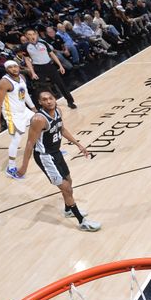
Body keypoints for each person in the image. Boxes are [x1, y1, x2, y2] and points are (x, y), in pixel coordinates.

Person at [14, 90, 100, 231]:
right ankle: (82, 221)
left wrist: (78, 144)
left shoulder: (58, 111)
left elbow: (62, 129)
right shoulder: (38, 119)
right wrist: (24, 166)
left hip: (56, 152)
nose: (48, 101)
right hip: (45, 156)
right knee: (66, 187)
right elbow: (30, 143)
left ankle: (68, 210)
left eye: (50, 98)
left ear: (55, 99)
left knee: (69, 181)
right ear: (40, 102)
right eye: (44, 99)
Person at [0, 60, 36, 176]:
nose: (14, 69)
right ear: (7, 70)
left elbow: (25, 94)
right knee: (16, 139)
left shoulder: (22, 77)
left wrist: (33, 108)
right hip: (12, 114)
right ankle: (11, 167)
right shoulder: (4, 82)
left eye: (15, 66)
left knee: (42, 125)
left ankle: (45, 149)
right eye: (10, 67)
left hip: (24, 110)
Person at [23, 29, 76, 109]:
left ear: (36, 34)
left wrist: (60, 65)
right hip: (38, 67)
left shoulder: (43, 43)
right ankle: (51, 105)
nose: (32, 36)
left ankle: (70, 101)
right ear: (26, 36)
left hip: (49, 66)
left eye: (33, 34)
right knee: (43, 88)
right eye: (29, 34)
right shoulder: (25, 47)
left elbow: (52, 54)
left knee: (60, 84)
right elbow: (27, 60)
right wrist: (33, 72)